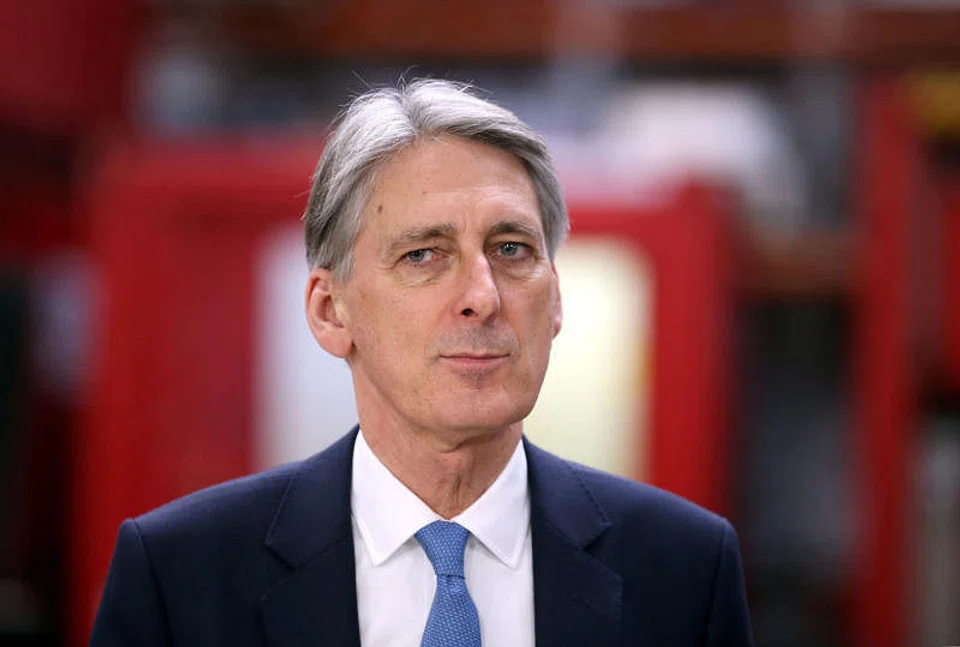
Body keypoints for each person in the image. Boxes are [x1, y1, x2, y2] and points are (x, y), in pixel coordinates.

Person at [90, 79, 753, 647]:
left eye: (512, 249)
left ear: (555, 301)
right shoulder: (180, 576)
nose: (483, 296)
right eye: (424, 255)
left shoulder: (685, 571)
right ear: (330, 311)